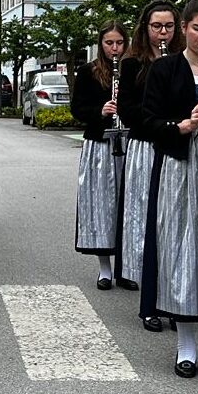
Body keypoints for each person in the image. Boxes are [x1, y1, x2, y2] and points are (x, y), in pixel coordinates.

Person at [139, 0, 198, 378]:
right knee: (181, 249)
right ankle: (185, 345)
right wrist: (183, 125)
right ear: (184, 29)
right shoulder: (165, 69)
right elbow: (146, 122)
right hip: (179, 165)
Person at [117, 0, 181, 328]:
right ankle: (150, 298)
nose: (163, 33)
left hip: (175, 147)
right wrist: (158, 121)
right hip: (145, 145)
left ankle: (173, 296)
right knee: (146, 218)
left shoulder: (184, 61)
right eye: (157, 26)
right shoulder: (133, 64)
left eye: (169, 26)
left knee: (173, 223)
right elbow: (127, 110)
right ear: (146, 29)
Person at [73, 22, 129, 289]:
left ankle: (126, 267)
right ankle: (104, 268)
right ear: (101, 44)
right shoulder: (87, 72)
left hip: (127, 143)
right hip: (99, 143)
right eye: (109, 43)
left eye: (119, 43)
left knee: (127, 206)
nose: (114, 48)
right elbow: (77, 109)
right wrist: (101, 111)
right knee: (101, 205)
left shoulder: (132, 70)